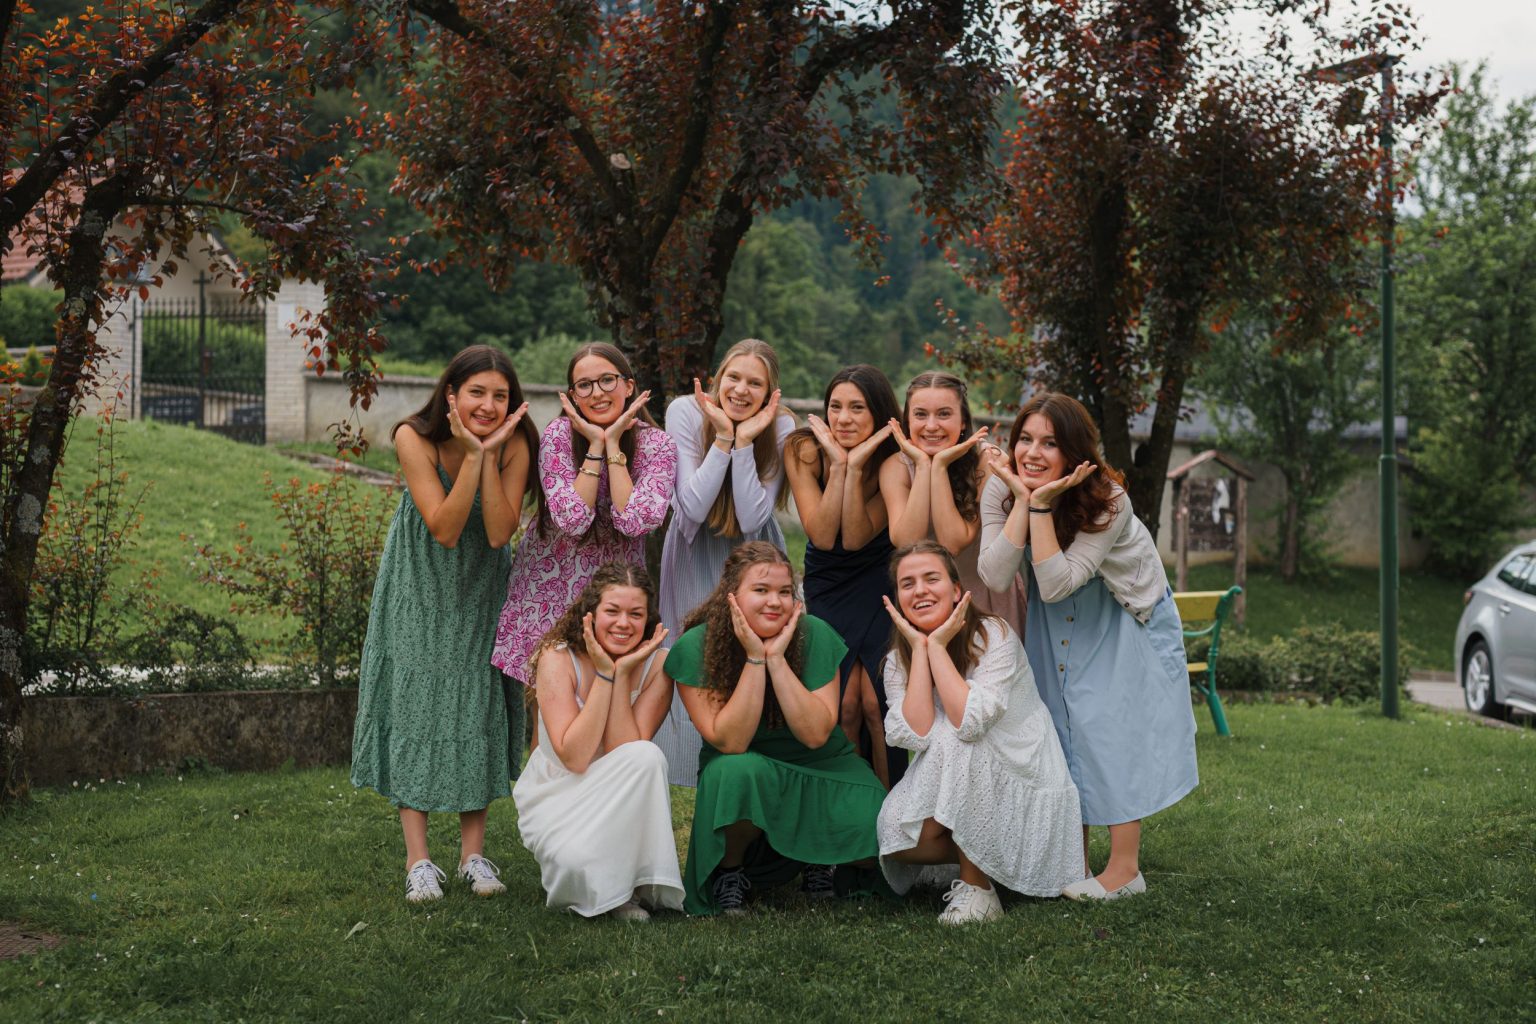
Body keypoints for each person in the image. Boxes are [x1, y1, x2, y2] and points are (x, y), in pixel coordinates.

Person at [977, 392, 1198, 901]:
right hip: (1056, 611)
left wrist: (1039, 503)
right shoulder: (1001, 487)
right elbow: (994, 574)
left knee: (1108, 728)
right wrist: (1022, 498)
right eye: (1025, 439)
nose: (1033, 453)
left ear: (1075, 452)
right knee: (1058, 727)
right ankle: (1071, 862)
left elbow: (1059, 582)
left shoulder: (1109, 498)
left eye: (1050, 443)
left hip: (1121, 610)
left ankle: (1125, 870)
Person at [351, 344, 538, 903]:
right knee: (417, 705)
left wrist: (492, 453)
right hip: (419, 586)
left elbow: (499, 532)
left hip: (481, 588)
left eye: (500, 395)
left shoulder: (517, 444)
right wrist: (477, 457)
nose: (488, 405)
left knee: (474, 704)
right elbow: (445, 528)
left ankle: (472, 856)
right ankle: (419, 860)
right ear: (451, 395)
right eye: (477, 392)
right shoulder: (414, 437)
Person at [664, 542, 886, 916]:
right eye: (761, 590)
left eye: (785, 592)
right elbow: (732, 742)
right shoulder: (698, 645)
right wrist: (755, 658)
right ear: (732, 595)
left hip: (821, 765)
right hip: (744, 766)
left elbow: (816, 735)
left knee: (879, 836)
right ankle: (730, 872)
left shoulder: (813, 633)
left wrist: (777, 660)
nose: (775, 602)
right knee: (737, 772)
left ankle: (819, 859)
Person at [877, 542, 1082, 924]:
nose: (920, 590)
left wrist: (938, 648)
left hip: (1021, 767)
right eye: (908, 583)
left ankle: (980, 892)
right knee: (898, 837)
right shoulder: (897, 660)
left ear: (957, 590)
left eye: (931, 579)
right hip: (957, 770)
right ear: (897, 598)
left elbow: (969, 723)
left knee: (958, 738)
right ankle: (1001, 857)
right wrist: (921, 651)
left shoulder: (993, 635)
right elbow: (916, 733)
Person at [491, 343, 678, 689]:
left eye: (607, 380)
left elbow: (634, 520)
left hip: (616, 599)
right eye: (585, 385)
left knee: (610, 700)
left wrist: (613, 446)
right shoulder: (558, 436)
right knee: (548, 707)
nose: (597, 393)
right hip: (548, 592)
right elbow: (573, 521)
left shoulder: (658, 446)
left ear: (629, 386)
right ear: (574, 396)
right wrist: (595, 446)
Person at [654, 338, 796, 786]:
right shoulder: (684, 411)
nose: (741, 390)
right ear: (717, 379)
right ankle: (689, 768)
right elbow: (693, 507)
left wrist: (746, 442)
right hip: (694, 549)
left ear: (770, 393)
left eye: (755, 383)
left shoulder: (782, 425)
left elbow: (753, 517)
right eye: (734, 377)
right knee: (692, 652)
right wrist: (722, 438)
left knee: (751, 653)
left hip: (752, 555)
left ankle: (748, 763)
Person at [514, 564, 685, 921]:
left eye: (635, 614)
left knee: (646, 756)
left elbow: (627, 752)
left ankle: (627, 889)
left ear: (648, 619)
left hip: (621, 787)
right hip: (558, 788)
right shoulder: (557, 657)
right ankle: (609, 883)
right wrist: (605, 673)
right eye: (613, 611)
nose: (624, 623)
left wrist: (621, 675)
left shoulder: (659, 664)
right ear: (590, 614)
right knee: (574, 865)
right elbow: (575, 757)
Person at [784, 365, 902, 786]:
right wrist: (839, 466)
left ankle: (893, 809)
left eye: (857, 408)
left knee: (875, 703)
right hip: (828, 581)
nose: (843, 419)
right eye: (835, 407)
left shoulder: (893, 457)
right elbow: (821, 533)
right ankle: (850, 804)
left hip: (878, 579)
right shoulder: (803, 448)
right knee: (845, 705)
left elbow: (855, 538)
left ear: (879, 413)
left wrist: (856, 467)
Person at [881, 371, 1028, 640]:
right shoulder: (896, 467)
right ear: (907, 421)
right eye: (921, 414)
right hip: (927, 602)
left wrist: (939, 467)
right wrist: (923, 466)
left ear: (963, 422)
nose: (931, 425)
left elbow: (953, 543)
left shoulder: (989, 461)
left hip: (987, 599)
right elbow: (906, 542)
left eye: (944, 414)